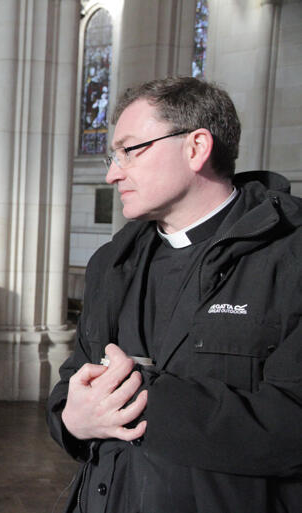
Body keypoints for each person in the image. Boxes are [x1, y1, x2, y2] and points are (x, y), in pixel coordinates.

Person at [46, 76, 302, 513]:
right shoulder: (111, 261)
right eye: (113, 154)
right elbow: (72, 381)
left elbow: (291, 424)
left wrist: (139, 397)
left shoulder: (289, 256)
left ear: (196, 147)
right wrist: (71, 420)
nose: (112, 172)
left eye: (129, 150)